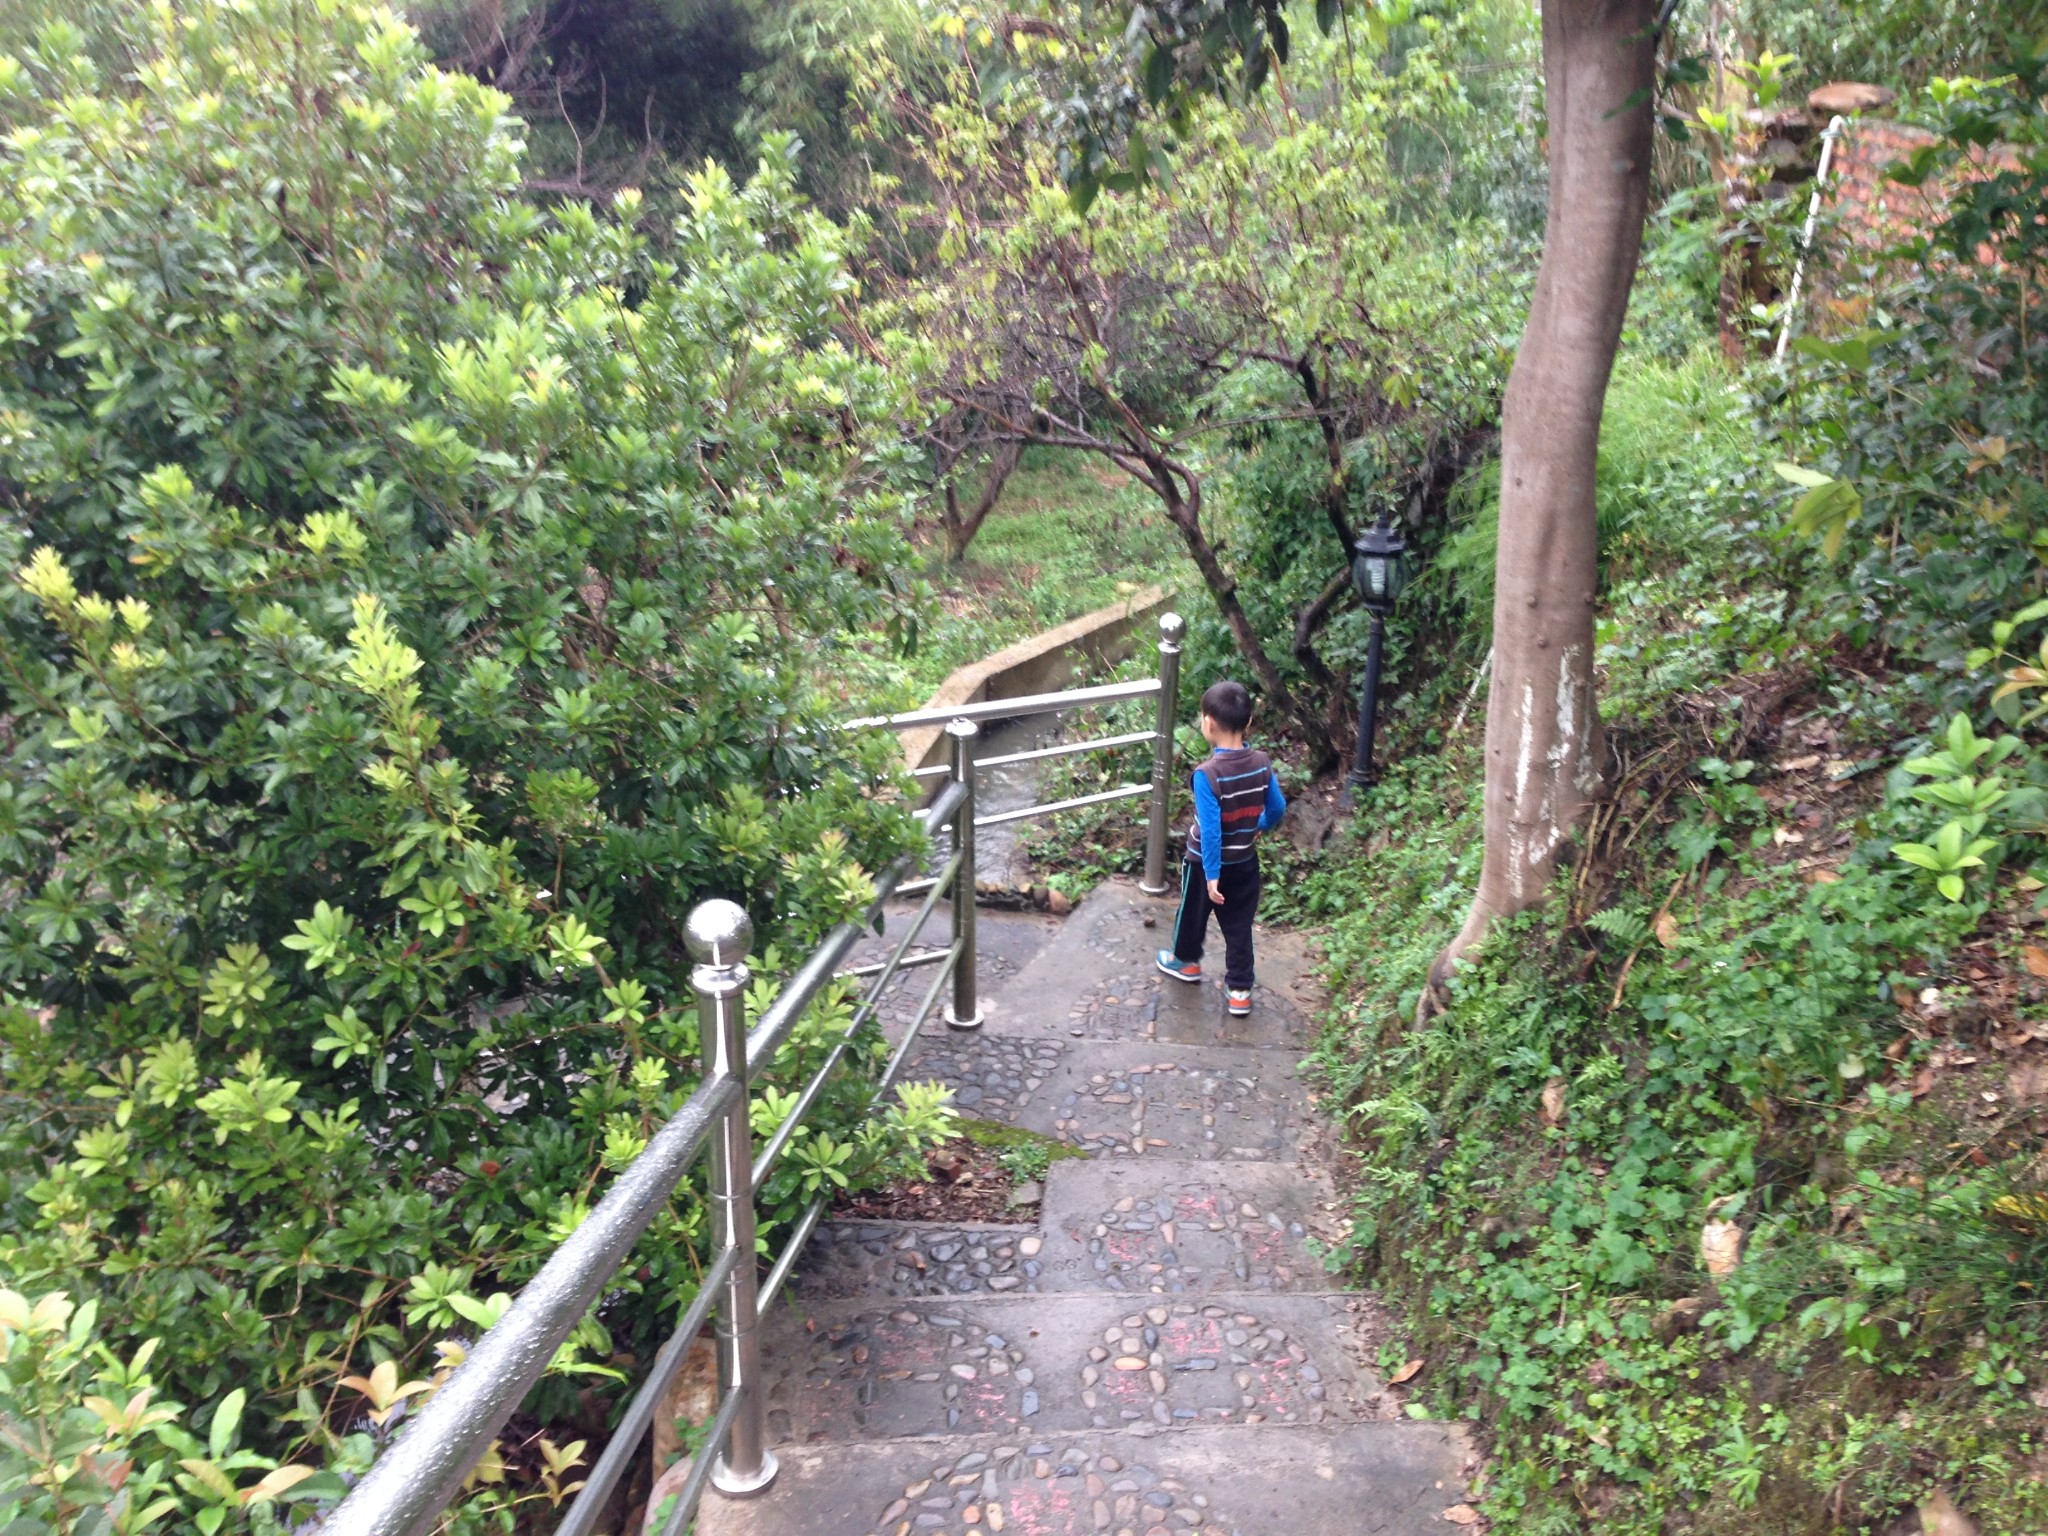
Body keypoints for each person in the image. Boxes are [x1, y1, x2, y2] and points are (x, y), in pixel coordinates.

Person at [1155, 679, 1286, 1015]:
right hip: (1244, 862)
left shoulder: (1207, 774)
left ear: (1208, 723)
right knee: (1239, 925)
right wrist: (1260, 827)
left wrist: (1212, 874)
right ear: (1249, 723)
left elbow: (1211, 830)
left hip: (1203, 865)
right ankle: (1240, 990)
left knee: (1192, 915)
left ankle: (1186, 962)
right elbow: (1278, 809)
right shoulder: (1262, 763)